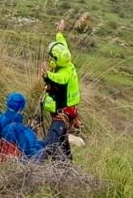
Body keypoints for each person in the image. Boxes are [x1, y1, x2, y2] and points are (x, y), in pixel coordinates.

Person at [39, 19, 81, 161]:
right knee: (62, 140)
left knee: (51, 141)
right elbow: (62, 43)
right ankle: (66, 166)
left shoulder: (64, 74)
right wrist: (59, 32)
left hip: (63, 114)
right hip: (66, 110)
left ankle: (35, 165)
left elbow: (56, 79)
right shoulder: (65, 59)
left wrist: (46, 74)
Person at [0, 92, 44, 161]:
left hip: (4, 156)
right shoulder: (17, 128)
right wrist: (43, 144)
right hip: (20, 161)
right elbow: (29, 149)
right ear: (21, 108)